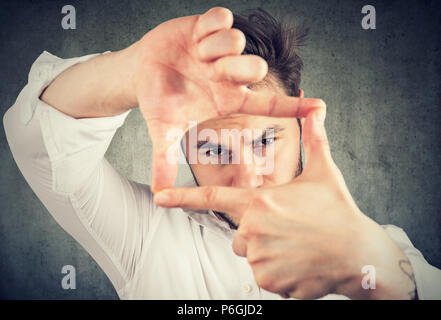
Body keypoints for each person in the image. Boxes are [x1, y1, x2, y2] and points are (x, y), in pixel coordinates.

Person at [3, 7, 441, 299]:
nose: (247, 179)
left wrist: (378, 266)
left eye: (266, 141)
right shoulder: (147, 233)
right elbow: (40, 141)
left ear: (303, 122)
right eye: (213, 148)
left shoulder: (388, 249)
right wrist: (130, 71)